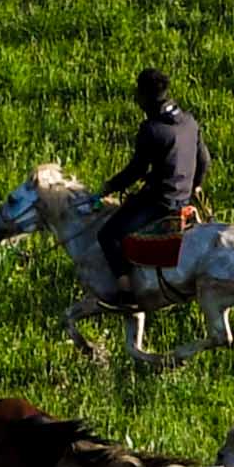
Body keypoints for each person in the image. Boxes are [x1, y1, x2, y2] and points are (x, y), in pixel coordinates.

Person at [92, 67, 208, 297]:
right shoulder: (189, 121)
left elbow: (136, 169)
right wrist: (195, 185)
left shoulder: (152, 129)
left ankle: (125, 292)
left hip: (161, 202)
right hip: (184, 197)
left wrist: (110, 186)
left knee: (108, 235)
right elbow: (204, 159)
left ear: (144, 96)